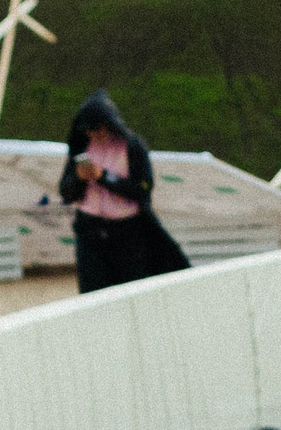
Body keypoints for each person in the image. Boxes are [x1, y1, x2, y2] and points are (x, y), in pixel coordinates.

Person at [59, 89, 191, 293]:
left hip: (127, 233)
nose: (94, 135)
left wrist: (102, 176)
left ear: (109, 125)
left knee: (132, 292)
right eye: (89, 131)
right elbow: (66, 192)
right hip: (90, 232)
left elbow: (143, 189)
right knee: (92, 295)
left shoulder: (132, 147)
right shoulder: (81, 146)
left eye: (98, 129)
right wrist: (78, 178)